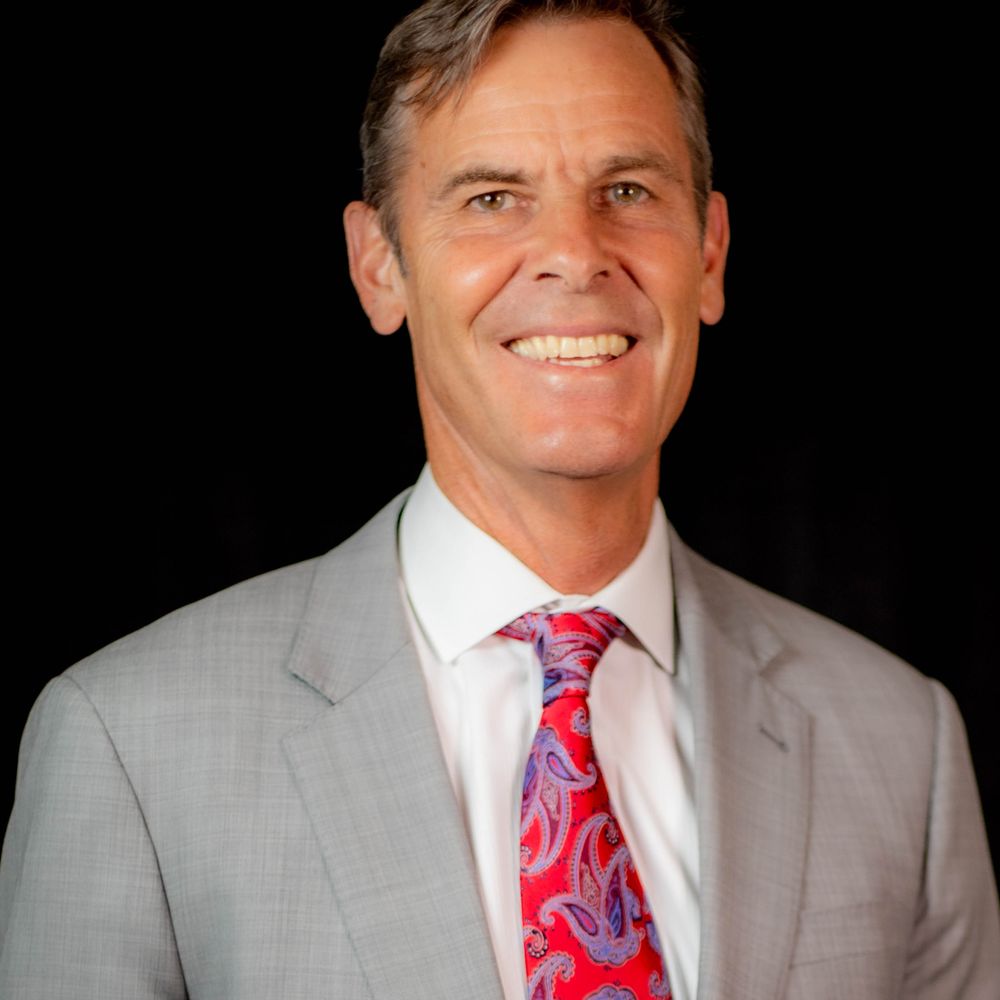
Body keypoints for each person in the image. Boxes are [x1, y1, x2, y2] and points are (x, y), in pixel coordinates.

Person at [2, 1, 997, 997]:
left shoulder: (900, 744)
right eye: (491, 198)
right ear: (378, 266)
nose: (575, 252)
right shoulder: (127, 745)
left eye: (627, 188)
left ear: (708, 251)